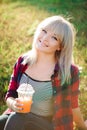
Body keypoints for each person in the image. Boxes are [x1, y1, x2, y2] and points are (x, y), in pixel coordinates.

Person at [0, 15, 87, 130]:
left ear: (60, 46)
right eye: (44, 31)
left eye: (54, 38)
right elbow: (10, 94)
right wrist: (13, 104)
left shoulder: (69, 72)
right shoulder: (23, 62)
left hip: (46, 125)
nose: (45, 38)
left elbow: (73, 107)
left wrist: (82, 126)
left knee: (17, 118)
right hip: (17, 115)